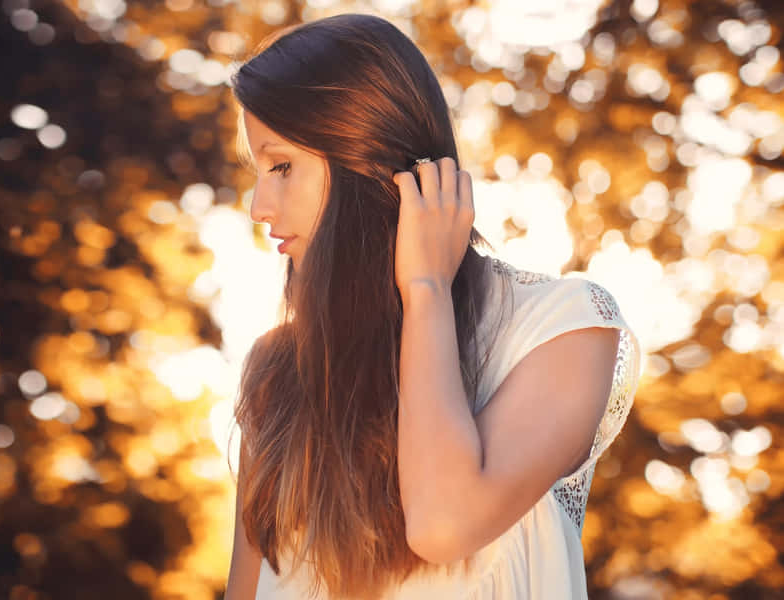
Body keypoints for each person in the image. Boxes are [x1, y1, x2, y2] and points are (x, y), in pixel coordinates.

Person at [224, 13, 641, 600]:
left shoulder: (564, 328)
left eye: (282, 166)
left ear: (366, 160)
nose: (259, 206)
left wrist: (425, 292)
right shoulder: (279, 371)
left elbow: (444, 524)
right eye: (259, 171)